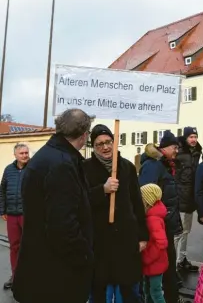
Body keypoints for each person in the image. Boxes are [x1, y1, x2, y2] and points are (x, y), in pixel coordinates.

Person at [12, 109, 94, 303]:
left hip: (41, 269)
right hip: (56, 275)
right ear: (84, 136)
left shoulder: (47, 155)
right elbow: (63, 226)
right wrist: (85, 256)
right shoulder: (62, 164)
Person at [83, 124, 148, 302]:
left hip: (126, 239)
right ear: (93, 147)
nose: (105, 147)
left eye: (108, 142)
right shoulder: (84, 168)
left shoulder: (126, 167)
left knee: (130, 291)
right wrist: (102, 190)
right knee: (99, 292)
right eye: (99, 144)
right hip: (99, 241)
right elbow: (79, 202)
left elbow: (137, 202)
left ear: (114, 142)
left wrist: (142, 235)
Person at [139, 130, 183, 303]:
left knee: (167, 264)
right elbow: (145, 195)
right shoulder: (153, 166)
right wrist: (155, 219)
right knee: (161, 265)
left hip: (165, 223)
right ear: (164, 148)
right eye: (174, 147)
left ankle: (170, 297)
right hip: (157, 225)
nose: (177, 151)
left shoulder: (164, 165)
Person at [0, 143, 29, 290]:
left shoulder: (33, 169)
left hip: (28, 215)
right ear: (15, 155)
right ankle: (15, 276)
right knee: (14, 246)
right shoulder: (8, 170)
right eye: (22, 153)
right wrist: (2, 210)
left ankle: (30, 277)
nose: (25, 155)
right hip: (12, 214)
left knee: (29, 246)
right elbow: (2, 191)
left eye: (26, 153)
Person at [175, 126, 201, 272]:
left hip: (190, 198)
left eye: (195, 137)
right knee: (178, 232)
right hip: (180, 198)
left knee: (186, 231)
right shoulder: (179, 152)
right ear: (185, 138)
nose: (193, 139)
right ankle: (174, 263)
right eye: (191, 137)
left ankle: (182, 259)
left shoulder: (197, 152)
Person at [141, 183, 169, 303]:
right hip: (152, 263)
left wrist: (147, 258)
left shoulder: (153, 219)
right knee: (147, 290)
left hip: (154, 262)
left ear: (148, 200)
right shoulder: (151, 215)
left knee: (155, 292)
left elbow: (161, 243)